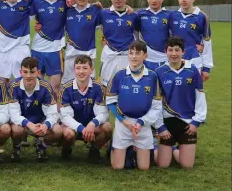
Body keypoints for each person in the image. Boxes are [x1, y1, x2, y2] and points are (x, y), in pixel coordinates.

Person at [106, 41, 162, 170]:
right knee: (118, 167)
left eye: (138, 53)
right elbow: (110, 101)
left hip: (143, 124)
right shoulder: (119, 74)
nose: (133, 57)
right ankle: (113, 147)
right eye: (131, 53)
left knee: (143, 167)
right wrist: (124, 121)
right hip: (124, 123)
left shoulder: (152, 76)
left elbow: (156, 106)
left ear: (145, 56)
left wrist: (141, 122)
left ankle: (133, 150)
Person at [154, 36, 207, 169]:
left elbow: (200, 96)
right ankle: (162, 149)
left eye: (177, 50)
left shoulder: (193, 70)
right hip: (168, 122)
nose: (173, 54)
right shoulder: (159, 72)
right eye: (170, 50)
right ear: (165, 51)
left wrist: (196, 121)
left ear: (183, 52)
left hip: (187, 123)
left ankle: (175, 150)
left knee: (187, 165)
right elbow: (156, 103)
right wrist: (160, 127)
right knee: (163, 165)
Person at [59, 55, 112, 162]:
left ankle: (94, 150)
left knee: (107, 128)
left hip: (91, 128)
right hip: (73, 127)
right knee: (68, 134)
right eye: (78, 68)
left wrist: (92, 124)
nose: (81, 71)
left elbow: (103, 113)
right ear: (74, 70)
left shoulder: (99, 87)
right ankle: (66, 150)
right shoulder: (65, 88)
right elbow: (65, 116)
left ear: (91, 70)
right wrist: (81, 129)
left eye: (85, 68)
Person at [8, 57, 62, 162]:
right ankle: (16, 149)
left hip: (40, 123)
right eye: (25, 72)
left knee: (58, 131)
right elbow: (13, 114)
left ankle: (41, 147)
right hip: (22, 124)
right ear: (20, 72)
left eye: (32, 72)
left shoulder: (46, 87)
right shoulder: (13, 86)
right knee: (16, 129)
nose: (28, 76)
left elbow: (53, 113)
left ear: (38, 72)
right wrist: (30, 125)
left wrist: (46, 125)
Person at [30, 0, 68, 95]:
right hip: (37, 49)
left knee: (55, 88)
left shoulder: (65, 2)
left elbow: (81, 5)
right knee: (37, 88)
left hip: (55, 50)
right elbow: (22, 11)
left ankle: (54, 114)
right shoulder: (37, 1)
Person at [98, 0, 141, 87]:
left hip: (129, 57)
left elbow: (138, 36)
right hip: (109, 56)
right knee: (106, 88)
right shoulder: (102, 14)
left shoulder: (134, 16)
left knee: (129, 87)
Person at [168, 0, 213, 81]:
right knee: (177, 91)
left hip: (194, 60)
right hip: (175, 59)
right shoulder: (172, 16)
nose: (183, 0)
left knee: (195, 92)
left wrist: (207, 68)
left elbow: (207, 43)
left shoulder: (202, 17)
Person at [62, 0, 101, 83]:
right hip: (71, 56)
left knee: (89, 88)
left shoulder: (96, 10)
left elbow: (113, 13)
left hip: (88, 56)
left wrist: (127, 7)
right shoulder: (67, 10)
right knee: (68, 87)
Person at [135, 0, 172, 71]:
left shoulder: (170, 15)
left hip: (164, 59)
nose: (154, 1)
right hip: (145, 59)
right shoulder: (139, 14)